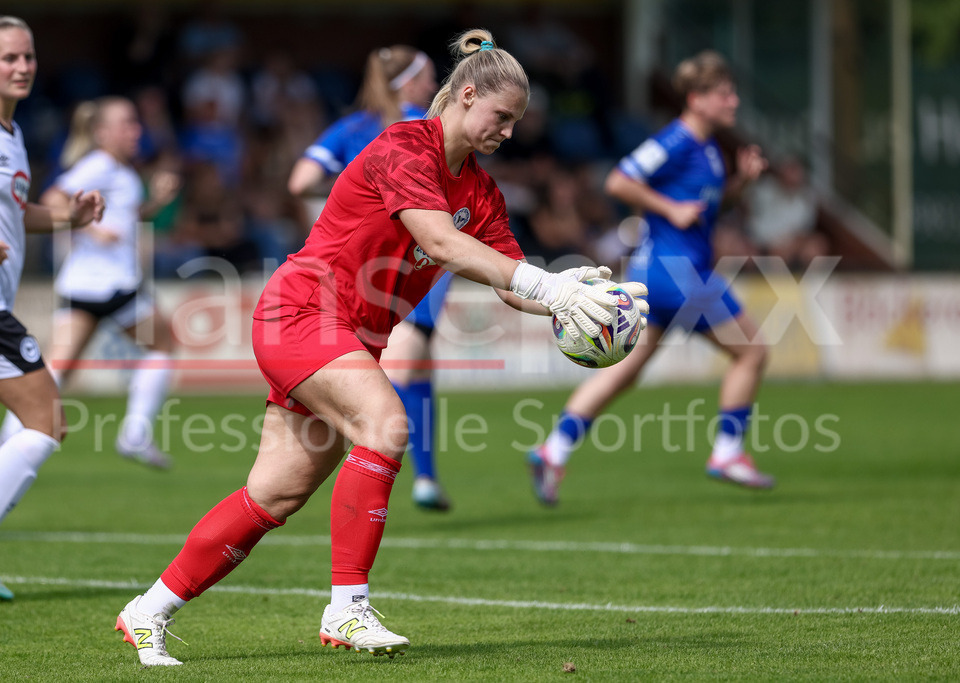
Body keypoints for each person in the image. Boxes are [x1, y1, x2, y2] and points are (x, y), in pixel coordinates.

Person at [114, 29, 647, 666]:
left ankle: (148, 610)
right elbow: (443, 245)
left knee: (273, 495)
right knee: (387, 424)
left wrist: (575, 293)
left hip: (344, 337)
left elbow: (510, 287)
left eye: (517, 122)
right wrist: (549, 285)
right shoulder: (402, 146)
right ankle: (347, 608)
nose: (509, 131)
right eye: (501, 116)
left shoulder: (481, 193)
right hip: (302, 311)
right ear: (466, 93)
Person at [527, 50, 772, 507]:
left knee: (626, 372)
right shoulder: (677, 139)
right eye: (725, 93)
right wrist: (668, 209)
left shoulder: (709, 149)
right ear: (697, 99)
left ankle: (552, 450)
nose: (734, 101)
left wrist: (742, 182)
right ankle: (728, 452)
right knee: (753, 353)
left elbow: (705, 207)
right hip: (678, 272)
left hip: (660, 275)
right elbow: (620, 180)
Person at [0, 16, 104, 599]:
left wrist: (69, 217)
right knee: (47, 421)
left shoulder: (8, 132)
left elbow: (13, 210)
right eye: (10, 58)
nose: (24, 67)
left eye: (29, 57)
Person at [287, 45, 454, 511]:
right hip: (417, 257)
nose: (432, 84)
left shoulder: (352, 127)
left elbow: (300, 183)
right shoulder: (424, 125)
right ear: (413, 83)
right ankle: (384, 466)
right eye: (427, 76)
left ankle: (426, 477)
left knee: (418, 365)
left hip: (359, 264)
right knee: (406, 364)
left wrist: (349, 184)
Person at [0, 96, 180, 468]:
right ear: (102, 132)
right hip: (105, 283)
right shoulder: (99, 165)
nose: (135, 130)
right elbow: (53, 197)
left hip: (93, 284)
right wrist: (93, 230)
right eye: (127, 123)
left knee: (60, 366)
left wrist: (155, 203)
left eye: (135, 123)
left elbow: (123, 217)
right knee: (162, 344)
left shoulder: (120, 172)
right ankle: (135, 434)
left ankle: (9, 432)